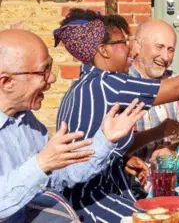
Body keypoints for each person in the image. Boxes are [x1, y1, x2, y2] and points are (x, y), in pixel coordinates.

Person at [53, 8, 179, 222]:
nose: (130, 51)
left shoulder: (84, 84)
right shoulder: (107, 84)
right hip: (92, 202)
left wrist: (121, 161)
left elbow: (94, 143)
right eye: (123, 43)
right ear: (104, 50)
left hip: (107, 191)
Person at [0, 29, 145, 222]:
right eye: (43, 71)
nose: (52, 78)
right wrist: (40, 164)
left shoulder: (28, 122)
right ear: (7, 82)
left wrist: (104, 139)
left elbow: (60, 176)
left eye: (50, 67)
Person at [129, 19, 179, 160]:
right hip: (127, 178)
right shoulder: (120, 82)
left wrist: (173, 150)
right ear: (137, 45)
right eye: (159, 47)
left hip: (167, 175)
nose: (165, 57)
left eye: (170, 50)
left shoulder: (174, 82)